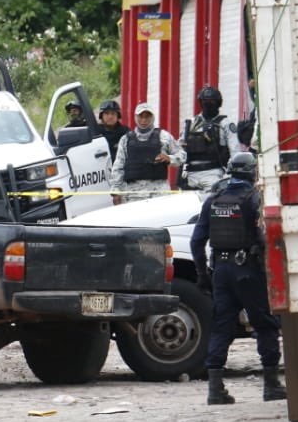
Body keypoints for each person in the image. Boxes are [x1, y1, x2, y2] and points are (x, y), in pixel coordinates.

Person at [190, 152, 285, 405]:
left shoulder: (213, 200)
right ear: (252, 173)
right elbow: (265, 238)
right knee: (265, 325)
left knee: (222, 326)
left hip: (221, 272)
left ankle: (215, 389)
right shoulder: (254, 199)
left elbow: (196, 242)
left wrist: (202, 275)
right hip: (248, 271)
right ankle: (272, 385)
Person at [109, 102, 185, 205]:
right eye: (140, 116)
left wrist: (169, 158)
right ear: (136, 117)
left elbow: (183, 155)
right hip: (133, 195)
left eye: (147, 116)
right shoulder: (125, 139)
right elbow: (118, 167)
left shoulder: (164, 136)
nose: (144, 120)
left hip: (159, 194)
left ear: (152, 117)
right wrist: (116, 192)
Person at [180, 85, 243, 190]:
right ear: (201, 102)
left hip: (214, 173)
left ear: (218, 103)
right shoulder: (191, 123)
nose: (208, 104)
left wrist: (232, 175)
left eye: (212, 101)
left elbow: (235, 151)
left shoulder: (225, 124)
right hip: (190, 175)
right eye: (205, 101)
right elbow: (180, 149)